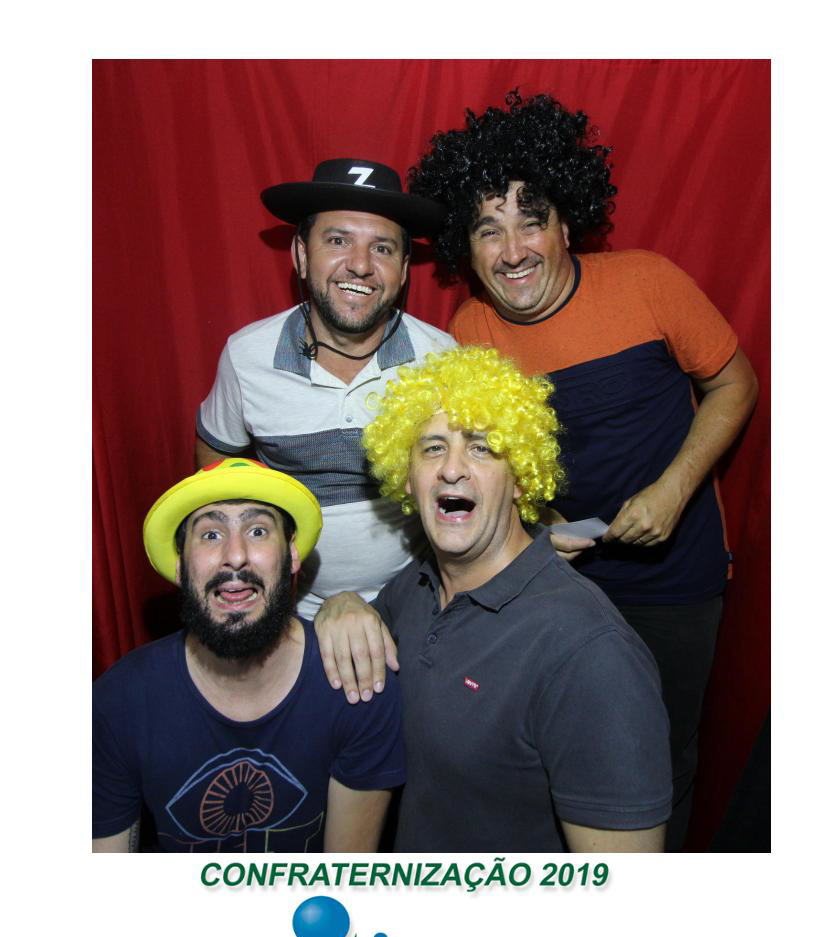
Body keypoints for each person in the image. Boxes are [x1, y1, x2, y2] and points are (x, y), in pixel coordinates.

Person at [406, 91, 759, 850]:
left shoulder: (649, 282)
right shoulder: (470, 329)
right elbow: (487, 460)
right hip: (550, 585)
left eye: (531, 221)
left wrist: (674, 488)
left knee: (658, 764)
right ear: (467, 249)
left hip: (675, 581)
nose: (513, 250)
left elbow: (736, 384)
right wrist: (537, 522)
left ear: (566, 225)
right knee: (550, 762)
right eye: (488, 229)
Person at [316, 348, 672, 852]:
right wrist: (342, 604)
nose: (451, 470)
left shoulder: (592, 653)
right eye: (432, 448)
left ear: (521, 479)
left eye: (481, 448)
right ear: (408, 476)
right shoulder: (414, 587)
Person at [92, 458, 404, 853]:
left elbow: (345, 874)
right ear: (180, 565)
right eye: (210, 535)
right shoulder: (118, 702)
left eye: (258, 531)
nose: (236, 555)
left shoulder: (356, 685)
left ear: (292, 555)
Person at [196, 158, 456, 622]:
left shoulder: (441, 357)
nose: (360, 265)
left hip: (420, 600)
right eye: (338, 241)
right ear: (300, 254)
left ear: (403, 268)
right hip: (291, 610)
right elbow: (214, 469)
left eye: (382, 248)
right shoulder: (246, 357)